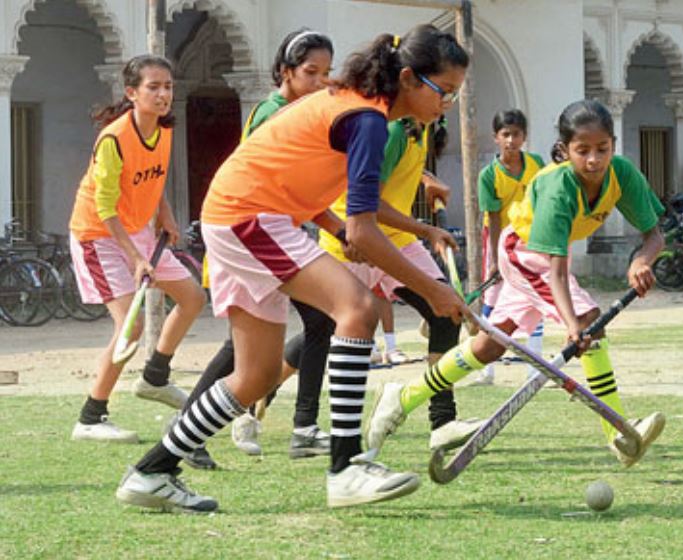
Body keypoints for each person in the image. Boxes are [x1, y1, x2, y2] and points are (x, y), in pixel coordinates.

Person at [116, 24, 470, 513]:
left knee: (256, 375)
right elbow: (363, 232)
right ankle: (345, 469)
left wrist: (338, 227)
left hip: (241, 214)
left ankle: (152, 471)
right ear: (408, 79)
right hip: (250, 216)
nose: (447, 104)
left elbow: (306, 180)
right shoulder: (367, 119)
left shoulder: (359, 108)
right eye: (445, 91)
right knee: (358, 309)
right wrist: (433, 291)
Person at [367, 99, 667, 469]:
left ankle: (404, 396)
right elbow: (554, 270)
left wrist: (642, 260)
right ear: (565, 150)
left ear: (613, 145)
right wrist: (574, 326)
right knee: (588, 318)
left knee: (491, 345)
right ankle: (617, 432)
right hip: (525, 253)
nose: (594, 160)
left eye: (602, 149)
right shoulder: (558, 187)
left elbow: (655, 234)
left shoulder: (621, 174)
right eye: (582, 151)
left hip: (543, 259)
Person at [282, 116, 482, 454]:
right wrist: (426, 229)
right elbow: (369, 201)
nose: (447, 99)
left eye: (452, 91)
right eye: (442, 88)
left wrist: (424, 180)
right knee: (322, 330)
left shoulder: (424, 125)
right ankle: (263, 393)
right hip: (354, 241)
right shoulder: (390, 131)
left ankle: (443, 422)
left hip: (398, 242)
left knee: (445, 314)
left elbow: (388, 174)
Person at [187, 28, 335, 465]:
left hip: (271, 236)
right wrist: (339, 226)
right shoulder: (277, 114)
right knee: (307, 323)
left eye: (327, 73)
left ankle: (297, 423)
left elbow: (297, 193)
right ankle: (299, 425)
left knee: (313, 323)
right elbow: (278, 188)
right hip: (250, 238)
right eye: (311, 72)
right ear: (285, 72)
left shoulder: (297, 112)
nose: (321, 82)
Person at [68, 55, 206, 443]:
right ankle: (91, 418)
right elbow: (104, 206)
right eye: (154, 87)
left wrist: (164, 214)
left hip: (138, 232)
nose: (164, 94)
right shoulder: (113, 138)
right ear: (132, 93)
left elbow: (154, 178)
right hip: (99, 235)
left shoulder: (163, 130)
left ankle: (155, 378)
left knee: (193, 298)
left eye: (168, 86)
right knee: (131, 327)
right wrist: (135, 257)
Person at [473, 109, 546, 385]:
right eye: (505, 134)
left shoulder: (536, 164)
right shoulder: (488, 176)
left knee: (535, 296)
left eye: (516, 134)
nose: (511, 140)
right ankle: (486, 369)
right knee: (492, 302)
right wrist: (494, 259)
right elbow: (492, 219)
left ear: (524, 137)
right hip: (499, 241)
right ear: (496, 138)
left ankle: (535, 368)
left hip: (529, 240)